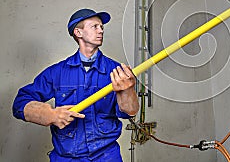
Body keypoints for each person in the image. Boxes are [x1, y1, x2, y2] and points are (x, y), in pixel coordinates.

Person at [12, 8, 139, 162]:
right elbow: (19, 103)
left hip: (106, 156)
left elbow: (128, 112)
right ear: (78, 32)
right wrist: (49, 114)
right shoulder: (57, 72)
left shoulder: (117, 71)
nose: (101, 31)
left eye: (102, 27)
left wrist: (128, 91)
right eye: (95, 26)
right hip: (67, 157)